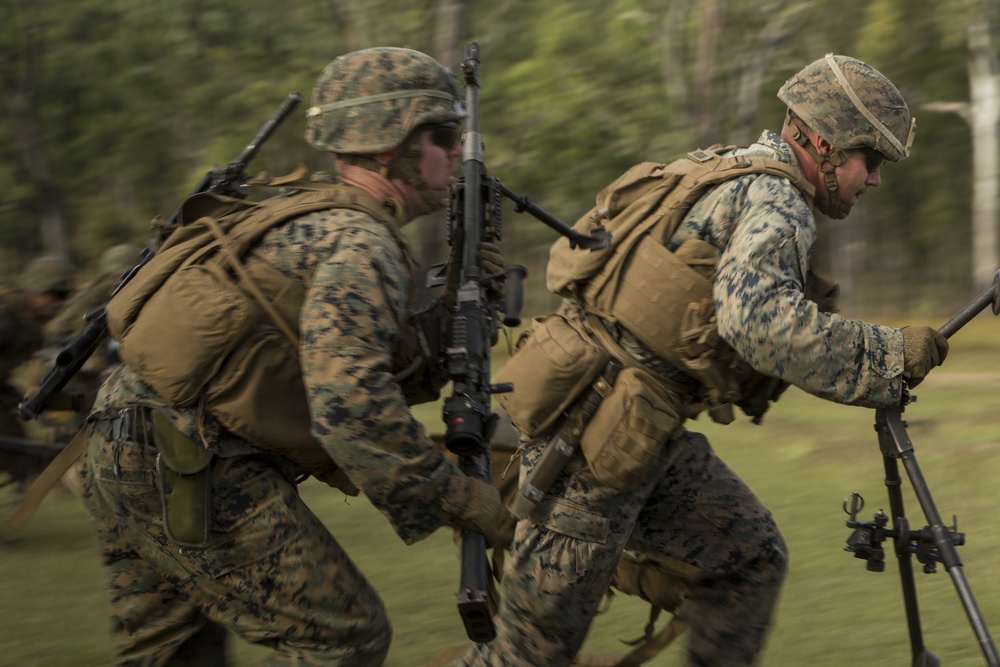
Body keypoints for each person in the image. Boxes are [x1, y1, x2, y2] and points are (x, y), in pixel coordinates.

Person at [457, 54, 949, 666]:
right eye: (869, 159)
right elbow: (760, 324)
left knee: (749, 555)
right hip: (590, 442)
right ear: (824, 144)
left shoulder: (721, 168)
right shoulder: (779, 204)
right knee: (526, 656)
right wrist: (887, 354)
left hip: (626, 423)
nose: (873, 178)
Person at [79, 47, 502, 666]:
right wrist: (458, 499)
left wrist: (457, 328)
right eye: (441, 134)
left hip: (128, 442)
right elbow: (352, 410)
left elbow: (347, 368)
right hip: (184, 456)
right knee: (341, 636)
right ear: (389, 147)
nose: (454, 150)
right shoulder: (361, 245)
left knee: (170, 653)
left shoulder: (314, 218)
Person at [0, 256, 74, 487]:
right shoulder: (7, 315)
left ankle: (28, 496)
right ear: (36, 290)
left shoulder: (33, 328)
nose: (61, 303)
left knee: (18, 449)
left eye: (65, 296)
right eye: (56, 295)